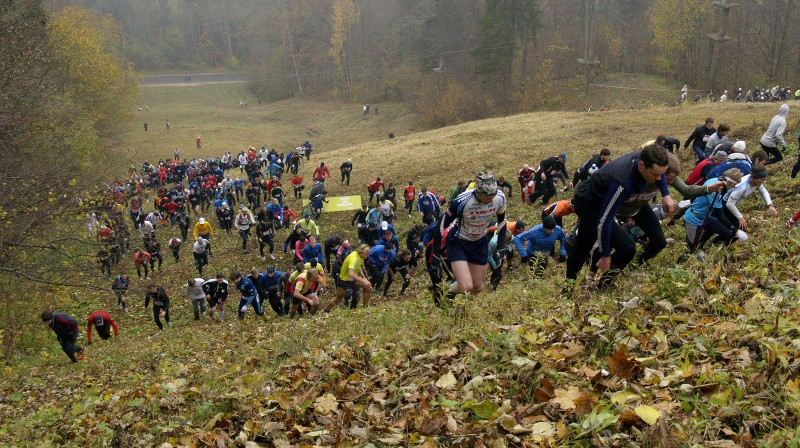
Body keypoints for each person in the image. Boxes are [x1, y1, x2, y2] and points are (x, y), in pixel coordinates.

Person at [565, 144, 676, 290]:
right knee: (594, 244)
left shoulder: (646, 157)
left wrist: (666, 195)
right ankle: (572, 287)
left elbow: (660, 175)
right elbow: (604, 221)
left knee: (650, 242)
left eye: (661, 174)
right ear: (642, 165)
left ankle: (600, 285)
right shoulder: (622, 183)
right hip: (590, 203)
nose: (659, 178)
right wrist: (605, 255)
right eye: (655, 174)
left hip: (616, 197)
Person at [436, 172, 507, 309]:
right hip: (459, 241)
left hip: (479, 242)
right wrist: (435, 253)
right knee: (465, 286)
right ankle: (442, 292)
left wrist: (501, 248)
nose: (491, 200)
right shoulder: (463, 200)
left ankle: (460, 310)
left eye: (493, 196)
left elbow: (502, 221)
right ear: (478, 193)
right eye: (487, 197)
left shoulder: (500, 197)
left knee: (477, 287)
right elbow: (441, 224)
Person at [683, 169, 745, 257]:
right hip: (693, 219)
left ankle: (705, 248)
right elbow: (721, 216)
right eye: (734, 185)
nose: (734, 187)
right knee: (691, 250)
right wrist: (736, 230)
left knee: (726, 233)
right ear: (729, 182)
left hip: (705, 217)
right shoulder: (715, 191)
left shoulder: (714, 180)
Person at [724, 166, 778, 230]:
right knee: (740, 229)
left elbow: (763, 190)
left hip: (732, 204)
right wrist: (740, 218)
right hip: (724, 205)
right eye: (761, 179)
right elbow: (729, 204)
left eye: (764, 179)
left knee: (735, 229)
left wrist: (770, 205)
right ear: (754, 178)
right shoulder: (742, 187)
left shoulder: (756, 182)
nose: (763, 181)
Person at [327, 244, 373, 311]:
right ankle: (326, 310)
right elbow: (351, 273)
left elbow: (358, 265)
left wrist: (363, 276)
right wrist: (363, 281)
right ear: (362, 252)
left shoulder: (358, 255)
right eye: (367, 253)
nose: (368, 255)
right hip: (344, 280)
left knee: (368, 287)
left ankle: (365, 308)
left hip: (353, 280)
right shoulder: (354, 258)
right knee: (338, 299)